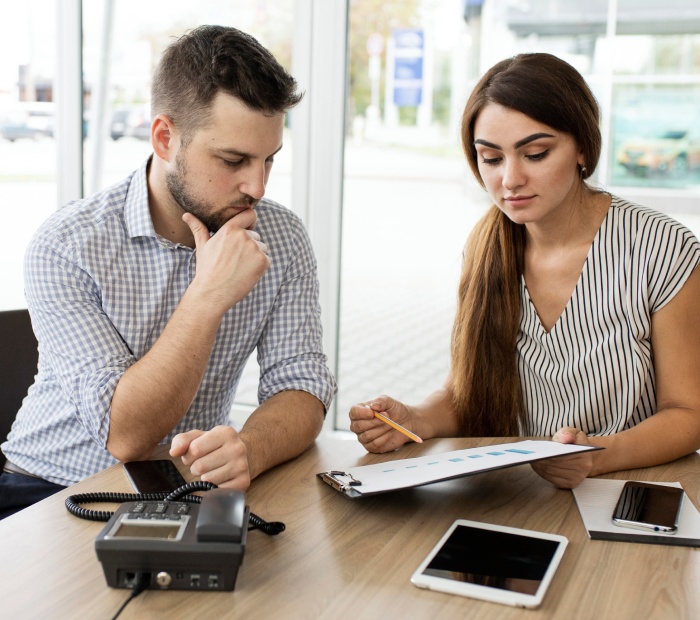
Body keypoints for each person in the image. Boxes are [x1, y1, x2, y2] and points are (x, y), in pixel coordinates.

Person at [0, 25, 337, 519]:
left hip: (181, 492)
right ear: (164, 137)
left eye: (269, 160)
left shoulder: (281, 238)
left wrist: (250, 450)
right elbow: (127, 436)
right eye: (233, 159)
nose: (258, 186)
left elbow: (302, 383)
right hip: (45, 490)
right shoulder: (66, 245)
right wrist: (207, 295)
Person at [349, 53, 700, 489]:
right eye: (491, 159)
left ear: (583, 149)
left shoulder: (662, 247)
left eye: (535, 153)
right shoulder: (485, 249)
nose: (510, 179)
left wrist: (594, 457)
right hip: (527, 496)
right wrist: (413, 418)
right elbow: (469, 392)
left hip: (636, 494)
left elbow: (688, 415)